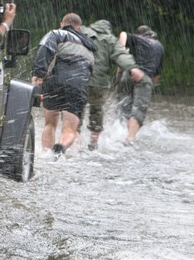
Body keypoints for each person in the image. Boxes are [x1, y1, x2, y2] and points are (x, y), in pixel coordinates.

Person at [31, 13, 97, 159]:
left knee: (49, 124)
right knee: (70, 130)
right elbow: (90, 72)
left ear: (63, 24)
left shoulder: (58, 33)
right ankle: (60, 147)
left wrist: (39, 73)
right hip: (77, 85)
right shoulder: (90, 48)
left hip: (55, 82)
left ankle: (46, 155)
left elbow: (45, 49)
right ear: (79, 27)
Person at [80, 20, 144, 150]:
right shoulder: (111, 40)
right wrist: (132, 68)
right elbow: (121, 55)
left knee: (76, 109)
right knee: (96, 110)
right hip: (98, 82)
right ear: (108, 29)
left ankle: (73, 137)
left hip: (79, 78)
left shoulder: (82, 32)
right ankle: (93, 143)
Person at [117, 25, 164, 145]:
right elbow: (157, 74)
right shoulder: (159, 46)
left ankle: (121, 134)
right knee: (138, 109)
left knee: (124, 107)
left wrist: (120, 53)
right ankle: (130, 139)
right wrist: (148, 87)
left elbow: (123, 34)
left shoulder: (138, 40)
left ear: (139, 34)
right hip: (144, 77)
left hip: (128, 75)